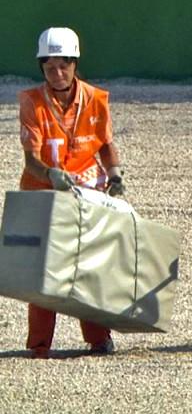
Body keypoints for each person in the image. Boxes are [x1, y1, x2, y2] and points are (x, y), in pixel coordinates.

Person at [17, 26, 126, 358]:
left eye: (64, 65)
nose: (58, 73)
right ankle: (39, 347)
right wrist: (51, 175)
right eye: (50, 67)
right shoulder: (32, 103)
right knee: (42, 272)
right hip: (42, 194)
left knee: (88, 267)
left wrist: (114, 172)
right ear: (42, 68)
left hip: (84, 193)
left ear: (75, 63)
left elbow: (106, 144)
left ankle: (98, 339)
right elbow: (31, 160)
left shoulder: (95, 99)